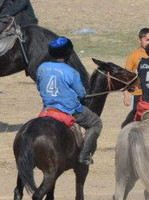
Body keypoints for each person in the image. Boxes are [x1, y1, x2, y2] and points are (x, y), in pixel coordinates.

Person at [36, 37, 102, 165]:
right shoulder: (71, 72)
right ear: (68, 53)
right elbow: (81, 94)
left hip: (47, 109)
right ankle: (84, 155)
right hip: (70, 110)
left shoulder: (42, 67)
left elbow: (39, 87)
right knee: (96, 123)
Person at [123, 27, 149, 125]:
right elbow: (126, 76)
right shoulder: (133, 56)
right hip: (139, 94)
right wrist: (126, 94)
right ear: (139, 41)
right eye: (146, 40)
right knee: (137, 122)